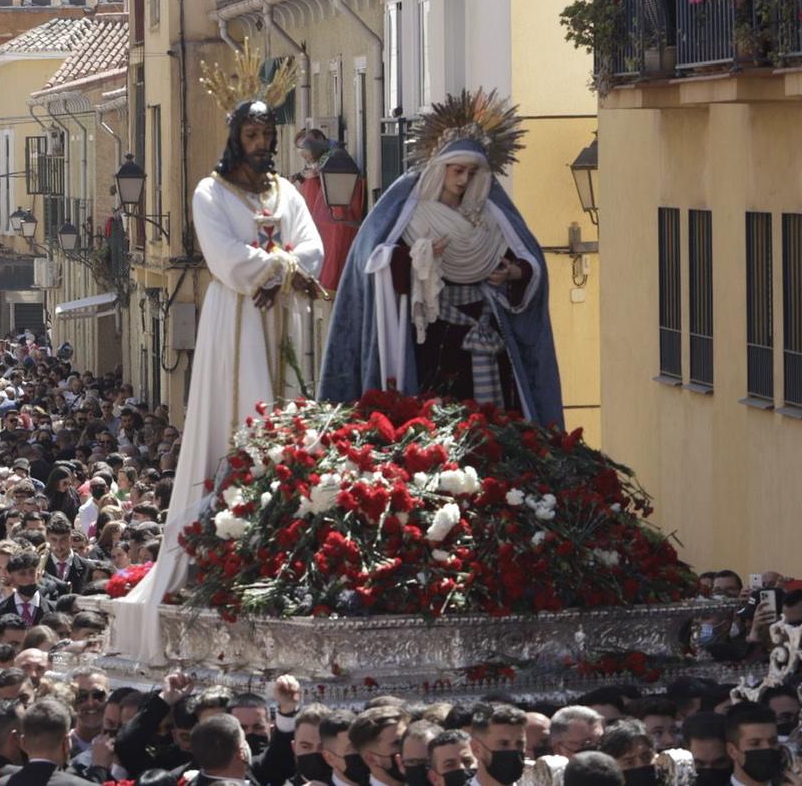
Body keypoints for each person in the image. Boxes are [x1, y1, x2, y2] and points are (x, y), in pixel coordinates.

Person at [108, 58, 324, 667]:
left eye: (268, 133)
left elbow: (312, 248)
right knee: (243, 407)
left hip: (289, 317)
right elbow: (227, 260)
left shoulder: (289, 192)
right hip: (238, 319)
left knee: (292, 406)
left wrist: (280, 267)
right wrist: (277, 267)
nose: (263, 143)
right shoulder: (210, 192)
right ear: (235, 138)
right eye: (252, 134)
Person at [321, 91, 561, 423]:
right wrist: (415, 258)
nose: (464, 181)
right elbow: (371, 261)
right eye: (457, 171)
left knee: (492, 420)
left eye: (472, 174)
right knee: (436, 415)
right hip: (431, 337)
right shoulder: (409, 212)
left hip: (486, 331)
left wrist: (513, 273)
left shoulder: (491, 216)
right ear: (440, 169)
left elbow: (527, 260)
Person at [294, 128, 366, 294]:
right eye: (302, 149)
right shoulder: (322, 160)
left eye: (308, 145)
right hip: (333, 214)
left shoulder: (335, 159)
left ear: (320, 138)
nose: (305, 151)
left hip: (340, 214)